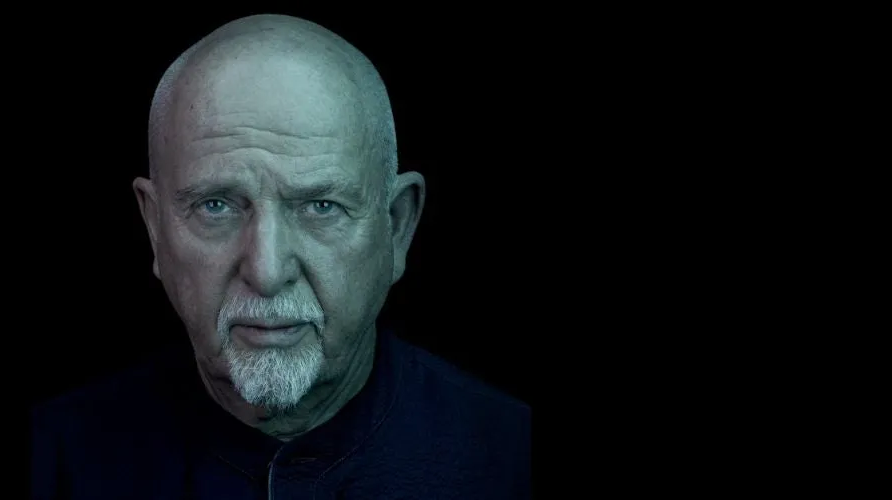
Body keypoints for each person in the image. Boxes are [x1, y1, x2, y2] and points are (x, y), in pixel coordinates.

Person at [30, 14, 531, 499]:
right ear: (155, 228)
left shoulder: (513, 461)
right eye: (216, 205)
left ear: (397, 227)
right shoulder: (51, 461)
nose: (266, 271)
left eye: (321, 206)